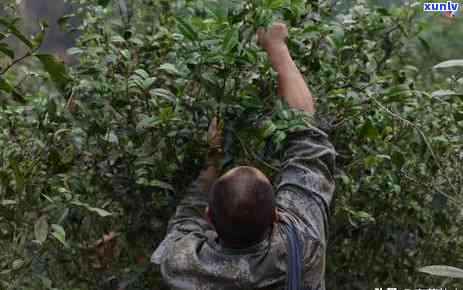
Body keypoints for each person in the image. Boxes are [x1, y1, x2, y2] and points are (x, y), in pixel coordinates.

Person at [151, 21, 336, 290]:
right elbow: (308, 142)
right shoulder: (303, 248)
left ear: (209, 218)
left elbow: (185, 218)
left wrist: (211, 158)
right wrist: (276, 47)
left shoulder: (180, 266)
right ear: (276, 218)